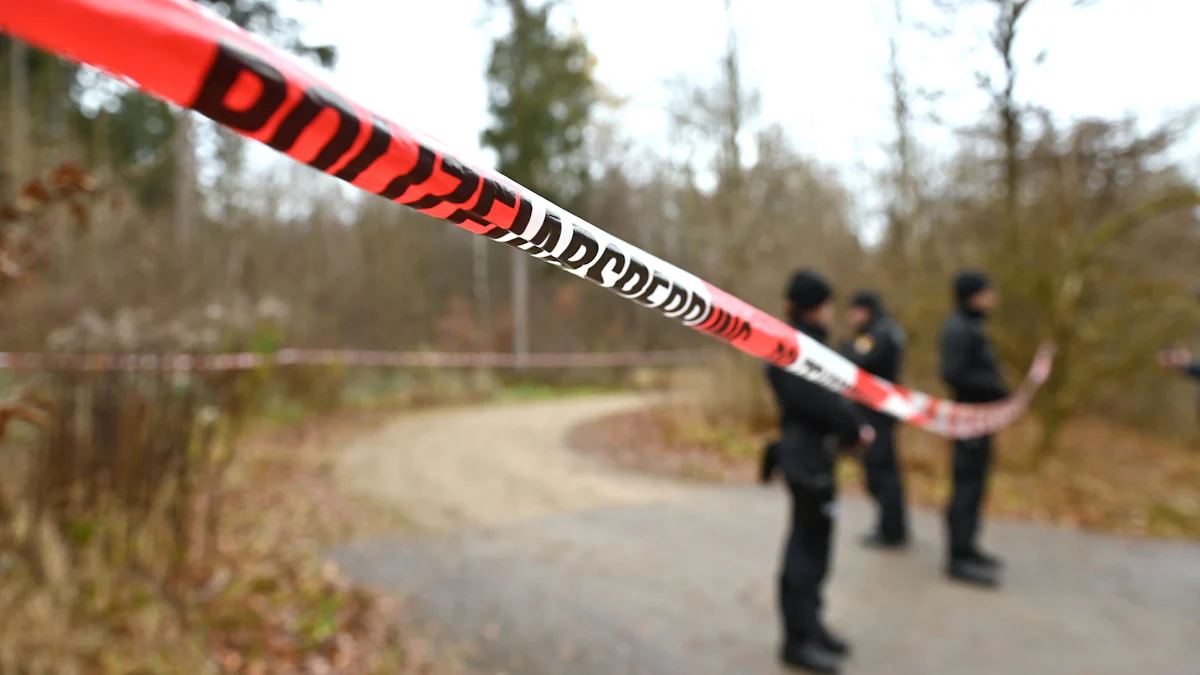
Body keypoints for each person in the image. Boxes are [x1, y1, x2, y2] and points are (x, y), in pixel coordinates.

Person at [767, 268, 874, 673]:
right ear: (815, 306)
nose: (832, 311)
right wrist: (855, 428)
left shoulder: (810, 346)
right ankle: (796, 641)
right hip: (804, 461)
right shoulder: (790, 349)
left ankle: (812, 626)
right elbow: (819, 401)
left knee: (818, 548)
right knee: (805, 551)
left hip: (818, 458)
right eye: (827, 304)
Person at [939, 270, 1008, 588]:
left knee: (977, 486)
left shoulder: (973, 326)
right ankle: (958, 557)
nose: (993, 298)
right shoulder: (959, 328)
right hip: (968, 422)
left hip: (980, 421)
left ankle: (969, 546)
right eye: (987, 292)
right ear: (973, 295)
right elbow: (953, 373)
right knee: (965, 487)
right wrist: (994, 390)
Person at [840, 290, 909, 549]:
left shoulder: (877, 334)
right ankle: (892, 526)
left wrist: (846, 349)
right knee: (884, 470)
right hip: (881, 411)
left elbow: (860, 361)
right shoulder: (887, 330)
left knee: (880, 472)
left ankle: (891, 530)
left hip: (876, 413)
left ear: (865, 309)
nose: (851, 317)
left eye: (855, 310)